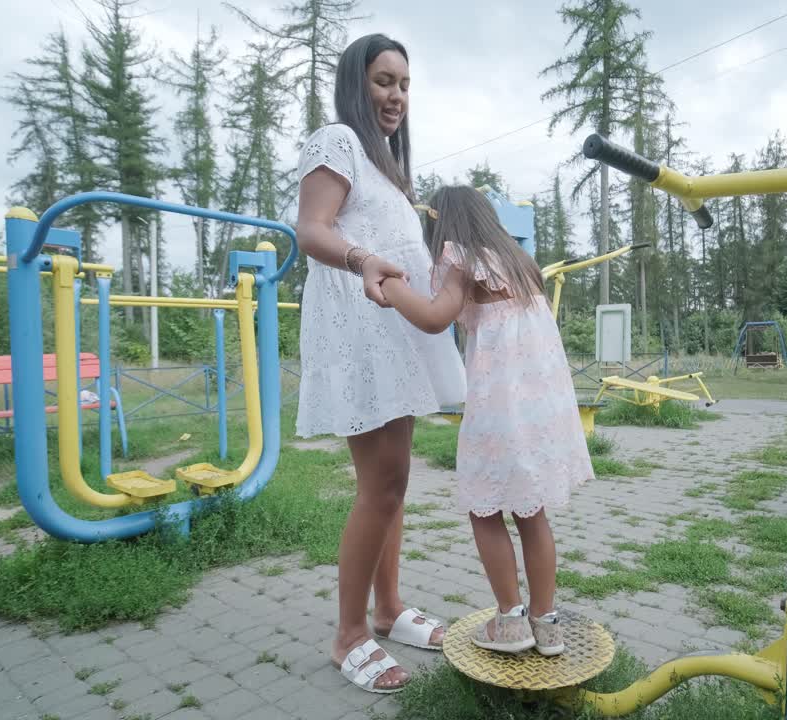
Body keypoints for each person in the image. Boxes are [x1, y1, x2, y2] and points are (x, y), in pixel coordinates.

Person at [293, 34, 466, 694]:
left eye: (404, 84)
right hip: (359, 333)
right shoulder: (337, 139)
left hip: (396, 335)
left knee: (394, 481)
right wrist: (364, 260)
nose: (396, 96)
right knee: (381, 484)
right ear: (355, 83)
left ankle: (389, 610)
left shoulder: (387, 166)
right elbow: (312, 230)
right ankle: (348, 634)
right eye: (383, 81)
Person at [380, 185, 594, 657]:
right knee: (532, 511)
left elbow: (436, 317)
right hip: (542, 409)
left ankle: (510, 621)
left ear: (445, 226)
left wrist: (393, 287)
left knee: (484, 507)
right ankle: (547, 624)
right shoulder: (519, 262)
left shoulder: (460, 256)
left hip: (500, 407)